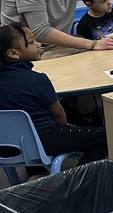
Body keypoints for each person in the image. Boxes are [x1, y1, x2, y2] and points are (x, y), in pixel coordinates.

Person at [0, 25, 107, 162]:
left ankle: (35, 173)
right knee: (106, 137)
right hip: (44, 141)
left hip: (6, 147)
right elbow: (59, 114)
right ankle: (80, 178)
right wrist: (65, 129)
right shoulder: (37, 80)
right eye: (32, 42)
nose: (39, 45)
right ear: (13, 53)